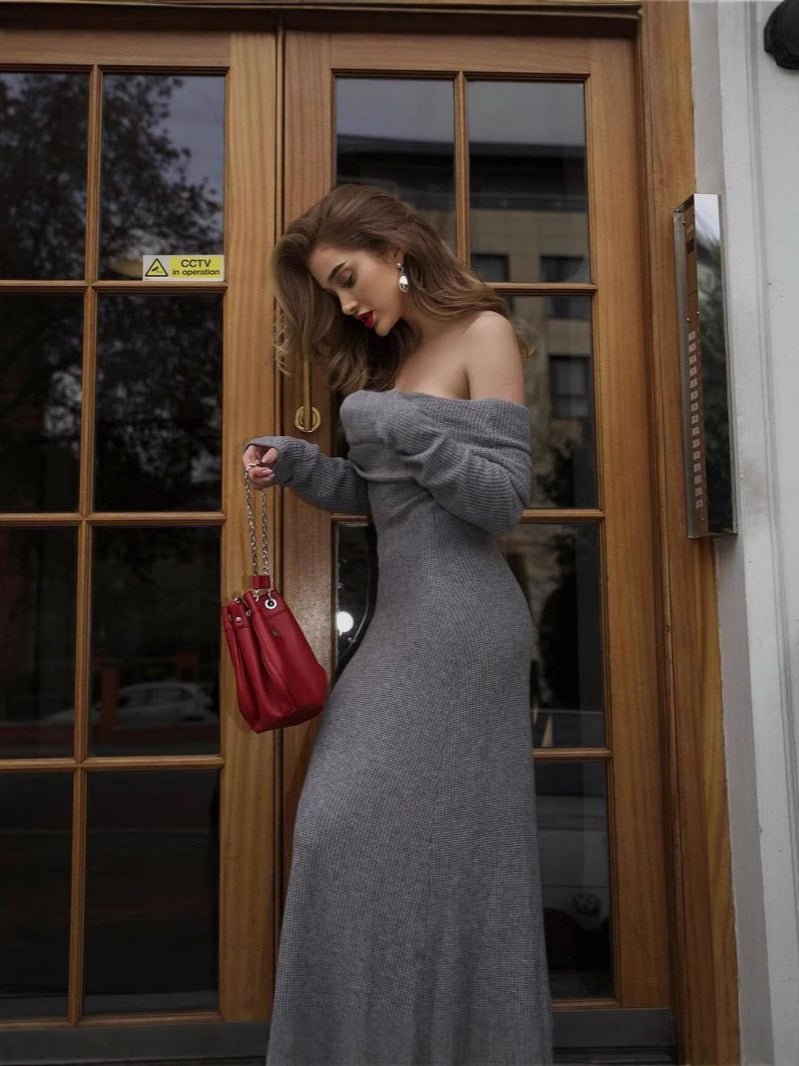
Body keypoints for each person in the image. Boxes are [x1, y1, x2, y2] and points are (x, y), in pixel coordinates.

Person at [242, 183, 553, 1066]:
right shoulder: (396, 363)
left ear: (395, 248)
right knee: (339, 833)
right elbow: (392, 503)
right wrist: (306, 465)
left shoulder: (482, 332)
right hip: (406, 620)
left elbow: (498, 502)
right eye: (334, 293)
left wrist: (394, 428)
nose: (347, 305)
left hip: (464, 628)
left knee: (427, 851)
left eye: (349, 279)